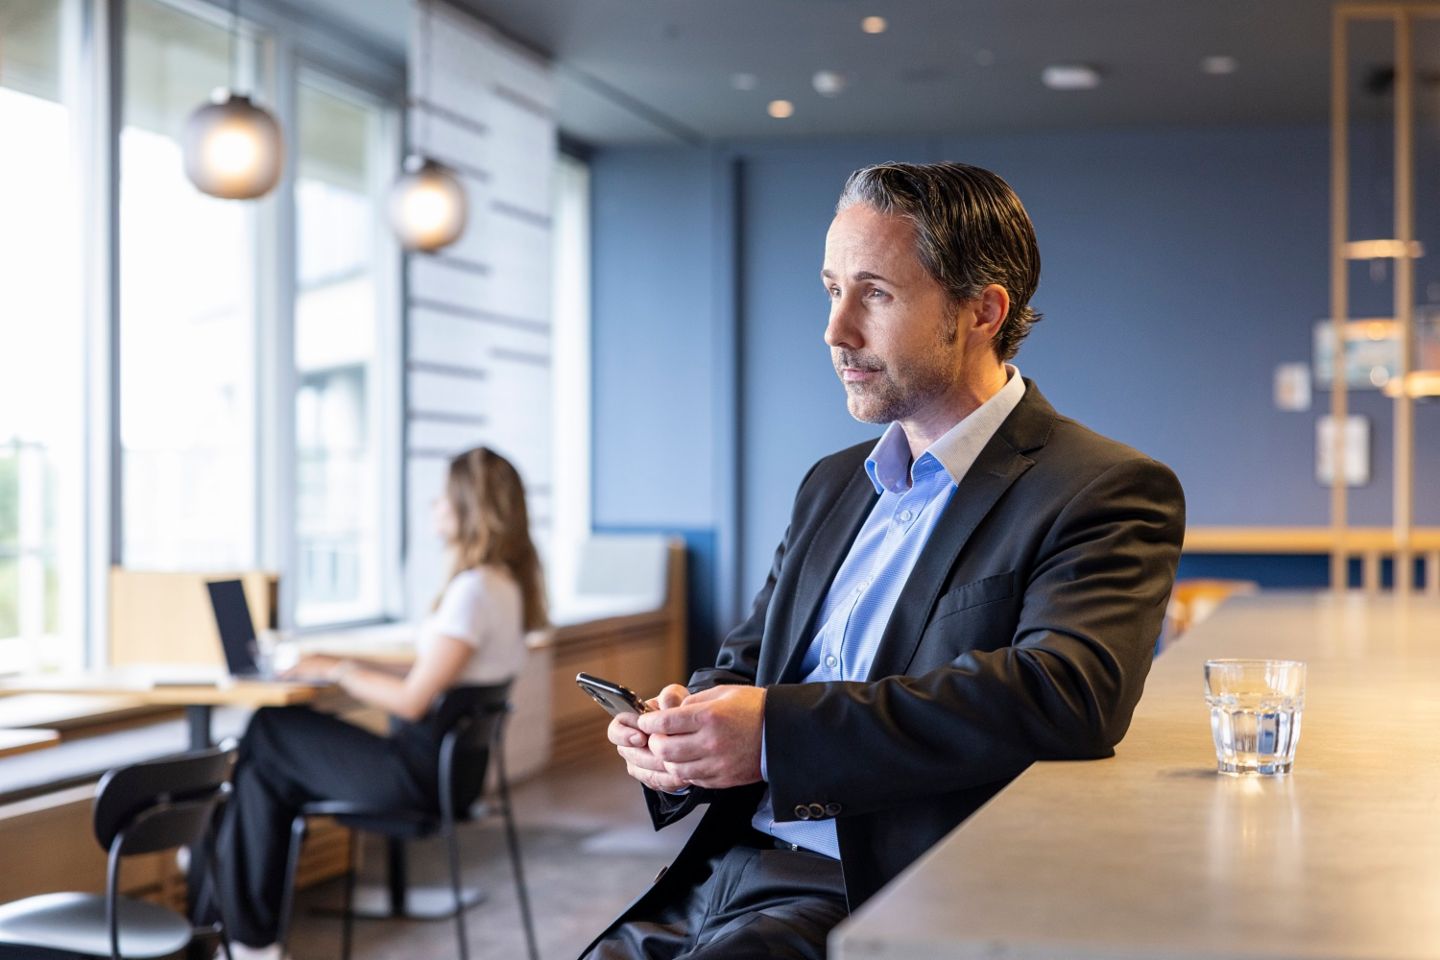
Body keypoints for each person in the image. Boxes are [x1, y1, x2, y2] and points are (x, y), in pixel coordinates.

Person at [584, 161, 1186, 960]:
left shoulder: (1102, 488)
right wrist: (685, 733)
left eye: (874, 293)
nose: (836, 330)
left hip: (872, 892)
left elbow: (1067, 692)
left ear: (981, 311)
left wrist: (773, 735)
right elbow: (747, 663)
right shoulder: (832, 483)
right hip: (717, 875)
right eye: (832, 289)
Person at [211, 445, 547, 959]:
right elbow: (431, 672)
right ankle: (243, 931)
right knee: (264, 777)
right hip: (448, 777)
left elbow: (413, 701)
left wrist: (337, 671)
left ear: (469, 508)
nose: (434, 508)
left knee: (270, 728)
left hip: (415, 779)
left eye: (443, 499)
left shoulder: (472, 592)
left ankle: (228, 894)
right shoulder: (504, 588)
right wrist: (332, 658)